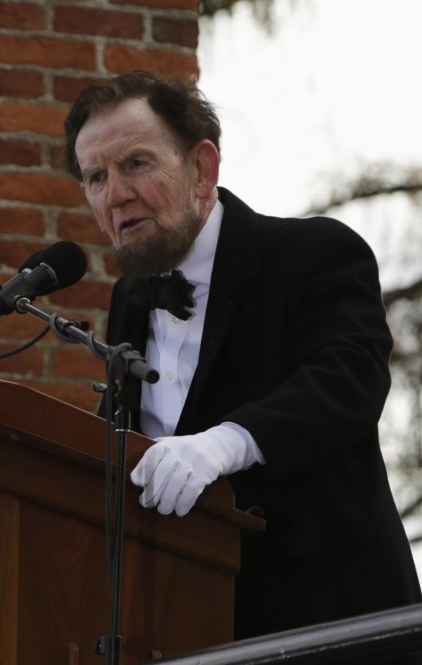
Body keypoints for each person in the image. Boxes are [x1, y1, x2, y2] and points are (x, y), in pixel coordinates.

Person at [63, 70, 422, 644]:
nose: (115, 195)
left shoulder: (314, 253)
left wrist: (226, 442)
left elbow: (349, 379)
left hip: (335, 630)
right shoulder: (130, 298)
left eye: (136, 164)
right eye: (96, 177)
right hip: (189, 626)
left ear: (202, 169)